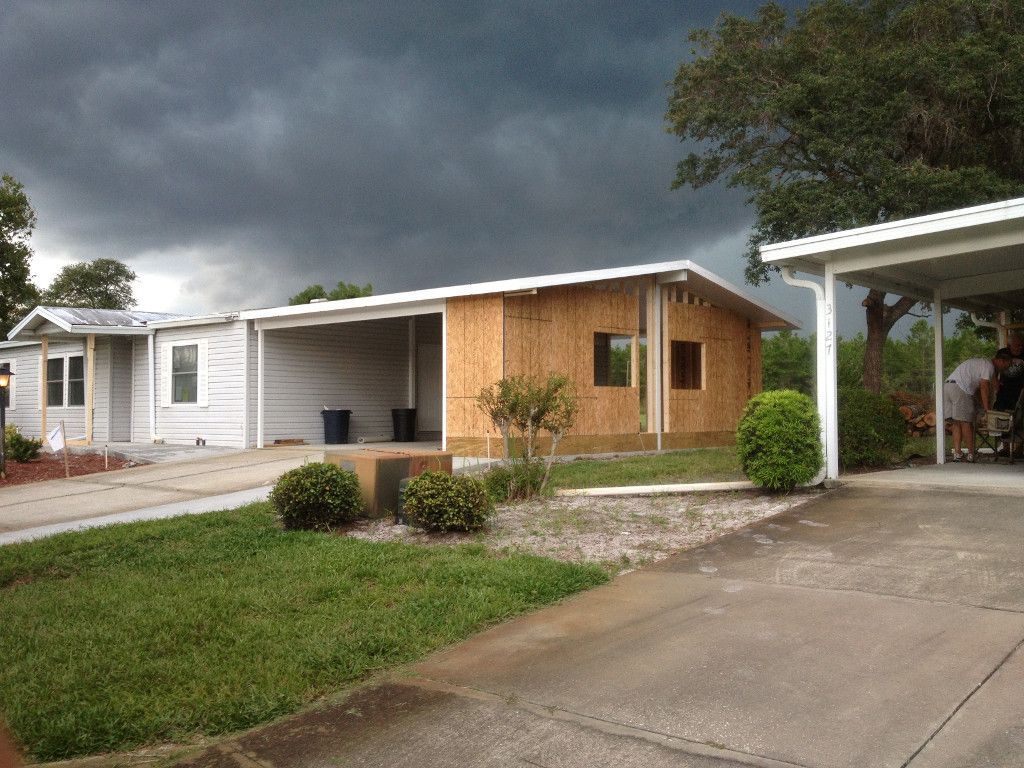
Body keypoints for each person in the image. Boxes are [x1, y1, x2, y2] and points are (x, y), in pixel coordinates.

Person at [943, 350, 1013, 462]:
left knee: (957, 422)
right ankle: (971, 454)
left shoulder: (982, 364)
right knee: (966, 422)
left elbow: (991, 385)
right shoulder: (988, 366)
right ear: (1000, 360)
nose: (1005, 368)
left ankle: (958, 453)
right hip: (960, 388)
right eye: (1006, 365)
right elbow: (984, 387)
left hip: (947, 386)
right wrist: (987, 410)